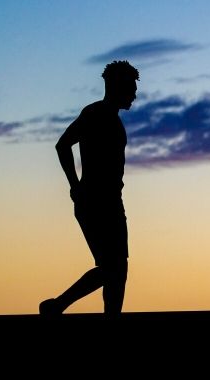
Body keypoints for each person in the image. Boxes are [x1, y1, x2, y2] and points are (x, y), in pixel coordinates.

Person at [39, 60, 139, 316]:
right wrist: (75, 186)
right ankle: (57, 306)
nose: (134, 94)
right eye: (130, 87)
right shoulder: (94, 114)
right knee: (111, 267)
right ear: (116, 86)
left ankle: (109, 316)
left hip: (113, 202)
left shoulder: (115, 121)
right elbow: (63, 145)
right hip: (94, 202)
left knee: (118, 269)